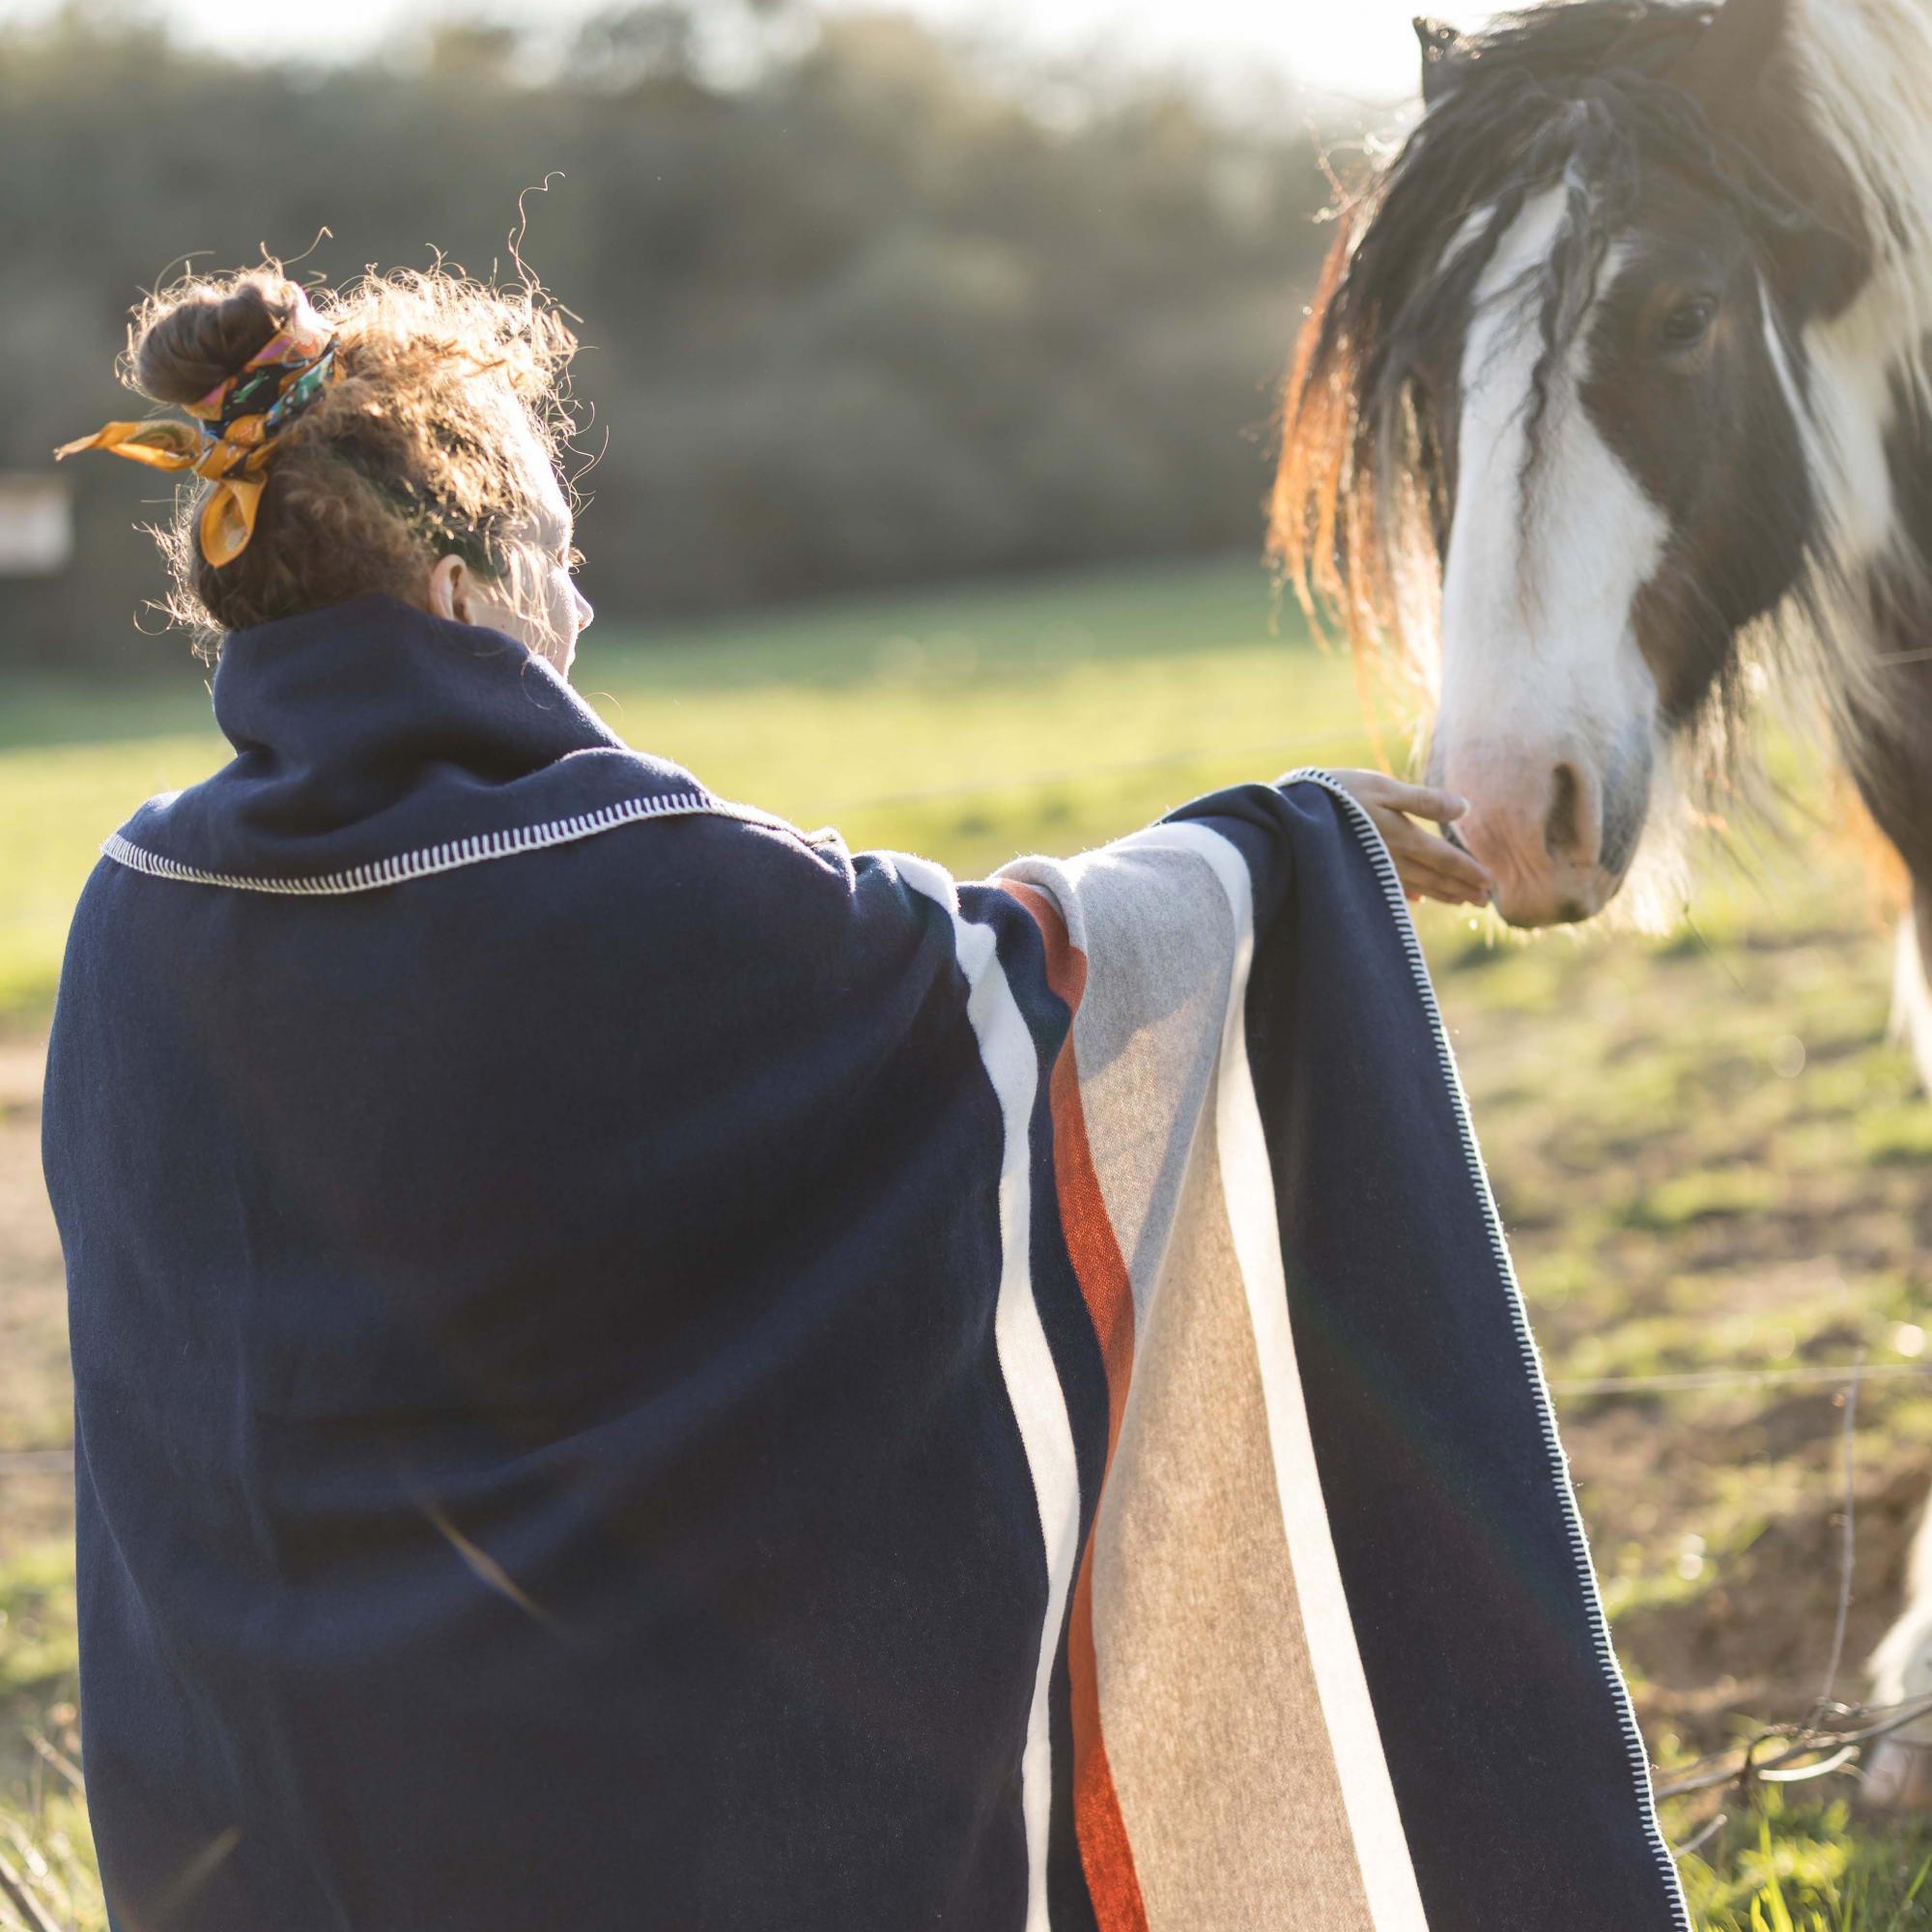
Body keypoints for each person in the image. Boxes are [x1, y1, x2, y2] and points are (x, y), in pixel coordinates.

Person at [43, 268, 1682, 1932]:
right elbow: (1000, 991)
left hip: (247, 1823)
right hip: (589, 1840)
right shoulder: (642, 880)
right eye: (558, 555)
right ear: (462, 594)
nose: (584, 611)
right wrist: (1288, 852)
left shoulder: (134, 903)